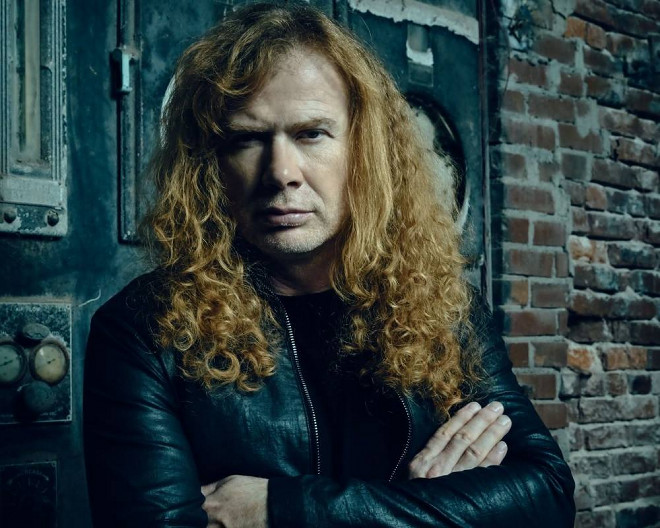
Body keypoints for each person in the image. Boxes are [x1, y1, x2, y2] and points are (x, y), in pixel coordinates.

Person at [83, 3, 575, 527]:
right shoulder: (142, 330)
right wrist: (428, 508)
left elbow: (547, 496)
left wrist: (283, 508)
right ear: (210, 165)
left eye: (311, 133)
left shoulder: (445, 306)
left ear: (365, 149)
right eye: (247, 139)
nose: (281, 172)